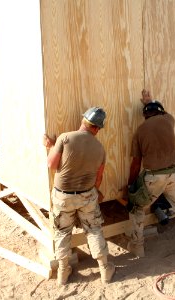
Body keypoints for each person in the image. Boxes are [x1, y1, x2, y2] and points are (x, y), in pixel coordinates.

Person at [125, 90, 175, 268]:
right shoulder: (168, 120)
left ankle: (138, 247)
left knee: (137, 208)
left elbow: (135, 163)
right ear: (161, 112)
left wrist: (131, 185)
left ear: (145, 116)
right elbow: (164, 112)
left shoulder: (139, 132)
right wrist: (150, 100)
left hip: (153, 178)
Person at [43, 107, 115, 286]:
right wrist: (94, 192)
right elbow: (98, 178)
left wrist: (51, 146)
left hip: (63, 196)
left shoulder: (65, 137)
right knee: (94, 230)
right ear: (97, 128)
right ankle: (105, 269)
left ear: (83, 120)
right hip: (87, 195)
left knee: (62, 232)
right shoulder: (100, 148)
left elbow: (51, 164)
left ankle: (63, 272)